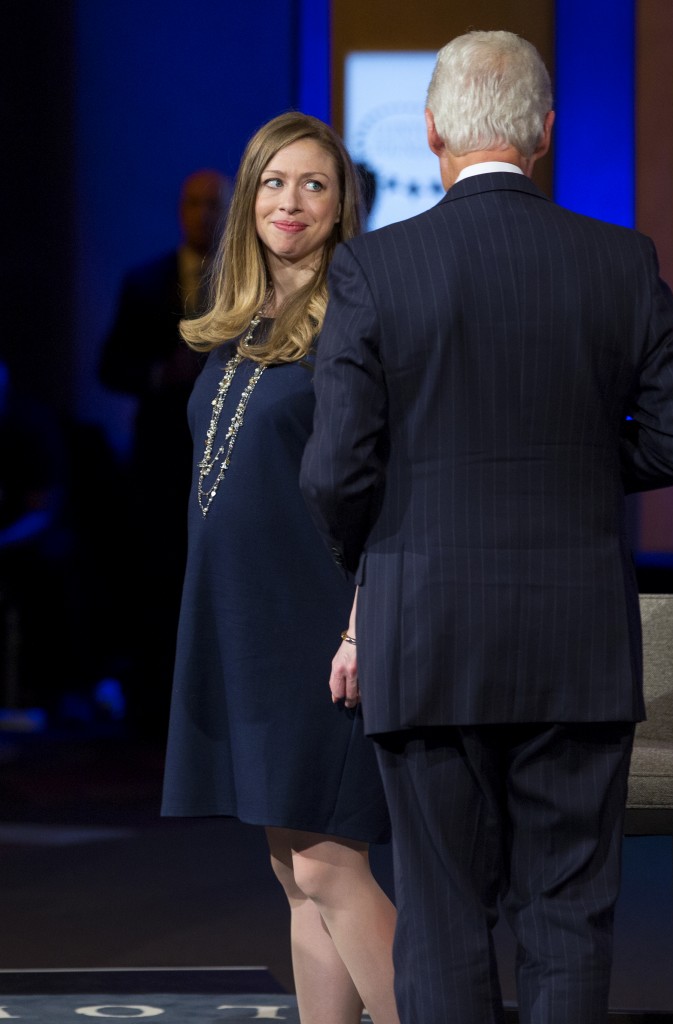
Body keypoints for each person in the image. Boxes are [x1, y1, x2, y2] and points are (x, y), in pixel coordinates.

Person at [300, 30, 673, 1024]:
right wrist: (580, 468)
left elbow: (333, 471)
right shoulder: (621, 261)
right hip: (577, 642)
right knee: (569, 914)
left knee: (444, 919)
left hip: (426, 634)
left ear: (434, 129)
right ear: (543, 133)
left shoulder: (374, 271)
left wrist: (377, 551)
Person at [161, 113, 399, 1024]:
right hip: (245, 626)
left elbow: (387, 488)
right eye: (272, 182)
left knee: (330, 867)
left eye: (313, 185)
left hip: (320, 629)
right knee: (292, 873)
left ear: (343, 207)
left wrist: (360, 625)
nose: (289, 202)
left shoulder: (356, 324)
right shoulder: (243, 324)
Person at [99, 169, 232, 734]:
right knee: (158, 576)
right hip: (160, 456)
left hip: (224, 454)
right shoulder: (144, 281)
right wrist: (160, 374)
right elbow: (109, 366)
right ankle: (157, 706)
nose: (202, 214)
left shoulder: (244, 280)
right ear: (181, 209)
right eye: (193, 203)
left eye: (213, 204)